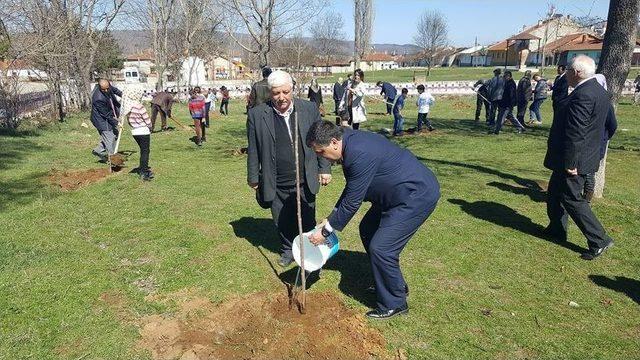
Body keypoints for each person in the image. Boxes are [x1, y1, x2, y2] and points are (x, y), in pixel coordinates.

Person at [306, 121, 440, 319]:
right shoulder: (350, 144)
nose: (321, 157)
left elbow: (352, 202)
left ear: (334, 142)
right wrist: (331, 217)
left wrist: (326, 230)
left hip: (414, 195)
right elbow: (353, 188)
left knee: (382, 248)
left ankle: (395, 302)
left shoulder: (359, 153)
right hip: (395, 194)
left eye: (321, 152)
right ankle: (394, 284)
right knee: (368, 228)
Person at [246, 70, 332, 267]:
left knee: (308, 218)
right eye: (276, 93)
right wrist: (253, 176)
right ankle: (287, 250)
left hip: (305, 175)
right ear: (270, 93)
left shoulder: (309, 109)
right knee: (281, 219)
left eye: (285, 92)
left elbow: (322, 140)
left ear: (292, 89)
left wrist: (324, 168)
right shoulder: (257, 115)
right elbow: (253, 148)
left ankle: (309, 251)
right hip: (276, 179)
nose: (281, 98)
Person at [543, 55, 614, 260]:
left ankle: (599, 239)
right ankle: (557, 228)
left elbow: (577, 131)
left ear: (577, 72)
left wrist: (572, 163)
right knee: (555, 192)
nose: (565, 75)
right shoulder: (598, 91)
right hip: (577, 155)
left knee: (572, 198)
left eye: (567, 71)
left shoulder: (585, 95)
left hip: (575, 158)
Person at [583, 74, 618, 202]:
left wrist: (604, 137)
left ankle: (587, 197)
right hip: (584, 140)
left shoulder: (606, 104)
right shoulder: (587, 99)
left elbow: (612, 124)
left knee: (589, 172)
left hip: (596, 143)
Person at [120, 86, 154, 181]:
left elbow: (129, 121)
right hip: (143, 131)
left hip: (135, 131)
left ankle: (143, 167)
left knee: (143, 150)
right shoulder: (139, 107)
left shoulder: (129, 107)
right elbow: (147, 120)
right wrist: (150, 127)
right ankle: (144, 172)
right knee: (145, 151)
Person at [90, 78, 122, 163]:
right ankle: (113, 160)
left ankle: (98, 150)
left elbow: (115, 90)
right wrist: (117, 122)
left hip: (107, 116)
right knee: (110, 138)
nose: (106, 90)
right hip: (101, 120)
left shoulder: (107, 86)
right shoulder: (98, 98)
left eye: (107, 88)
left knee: (115, 134)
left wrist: (124, 96)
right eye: (104, 89)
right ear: (100, 87)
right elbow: (106, 114)